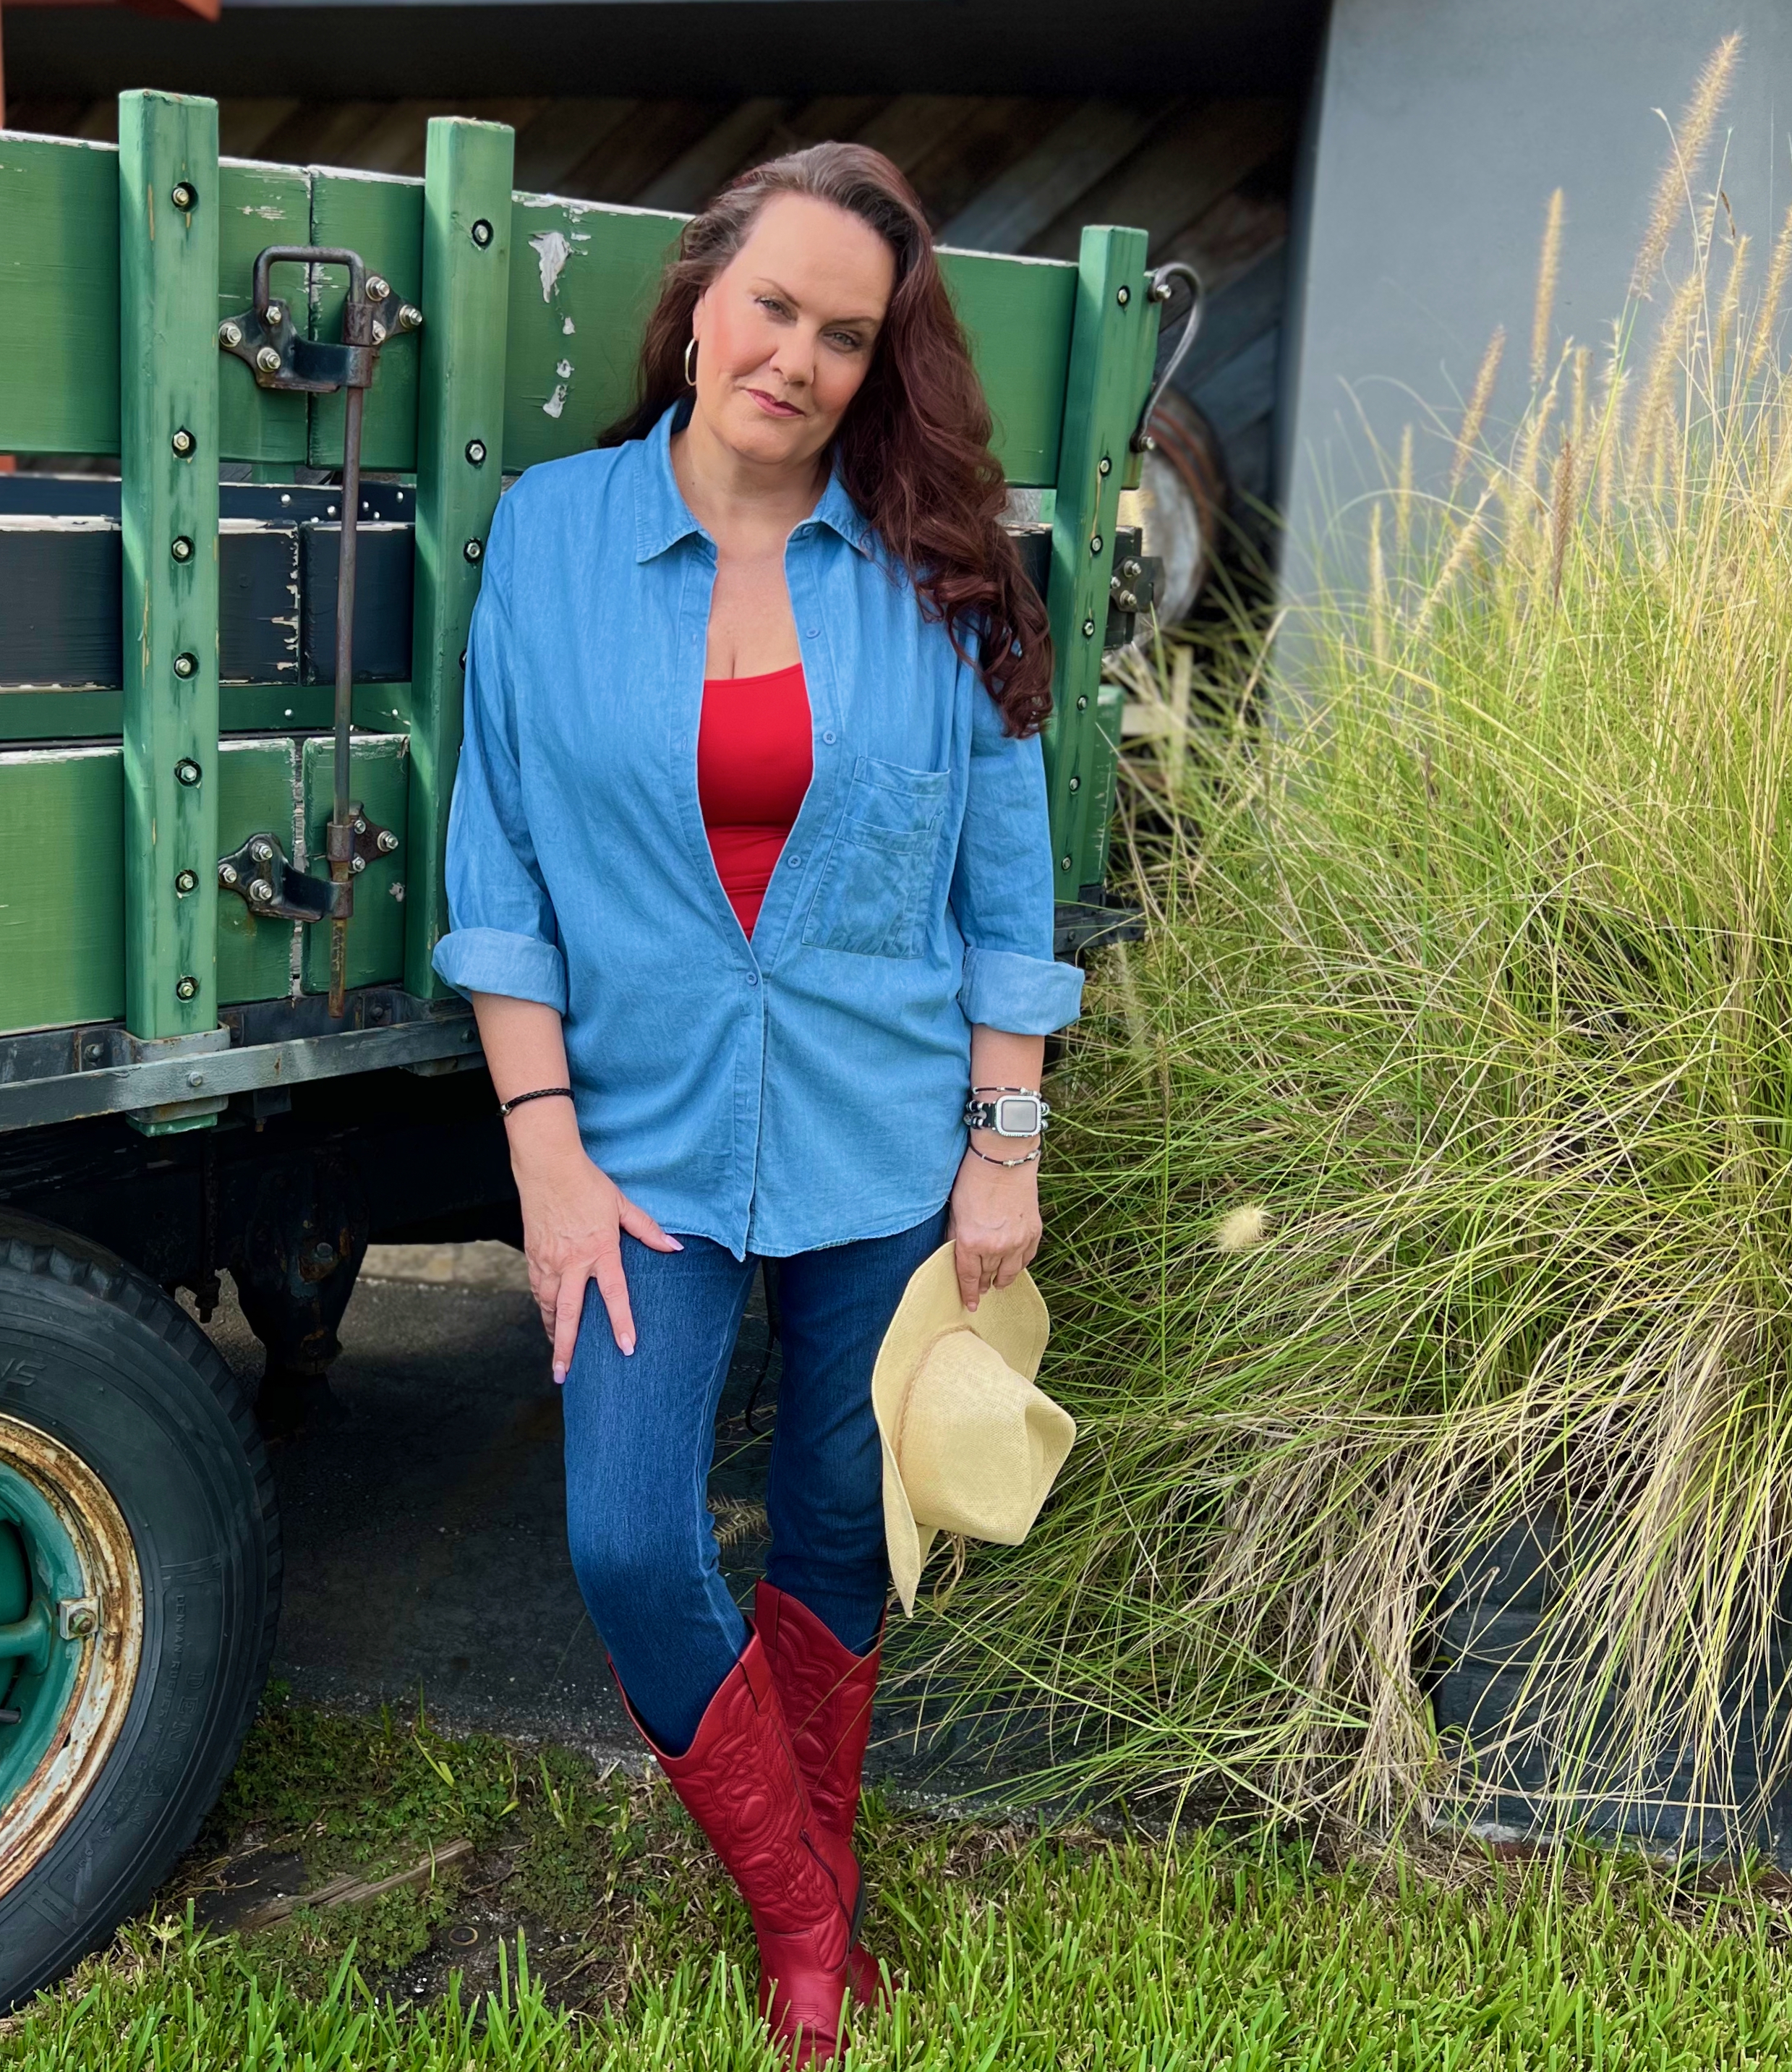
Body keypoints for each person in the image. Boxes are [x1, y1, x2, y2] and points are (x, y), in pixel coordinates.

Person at [430, 141, 1081, 2065]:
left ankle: (814, 1942)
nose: (793, 355)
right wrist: (543, 1151)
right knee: (632, 1536)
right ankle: (799, 1894)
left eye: (843, 333)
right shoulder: (551, 535)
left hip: (886, 1142)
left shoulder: (936, 572)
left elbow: (1004, 886)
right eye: (772, 303)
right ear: (702, 294)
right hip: (631, 1138)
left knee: (825, 1527)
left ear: (881, 369)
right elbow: (498, 870)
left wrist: (1002, 1142)